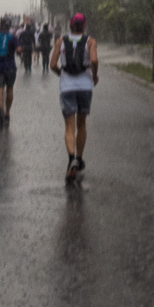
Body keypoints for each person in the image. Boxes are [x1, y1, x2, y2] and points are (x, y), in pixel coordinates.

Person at [50, 13, 98, 185]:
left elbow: (52, 64)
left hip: (67, 87)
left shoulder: (61, 41)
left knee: (69, 127)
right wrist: (95, 75)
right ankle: (79, 158)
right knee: (82, 124)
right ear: (84, 26)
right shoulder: (90, 41)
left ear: (70, 26)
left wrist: (60, 74)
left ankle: (71, 159)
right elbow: (93, 59)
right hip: (85, 87)